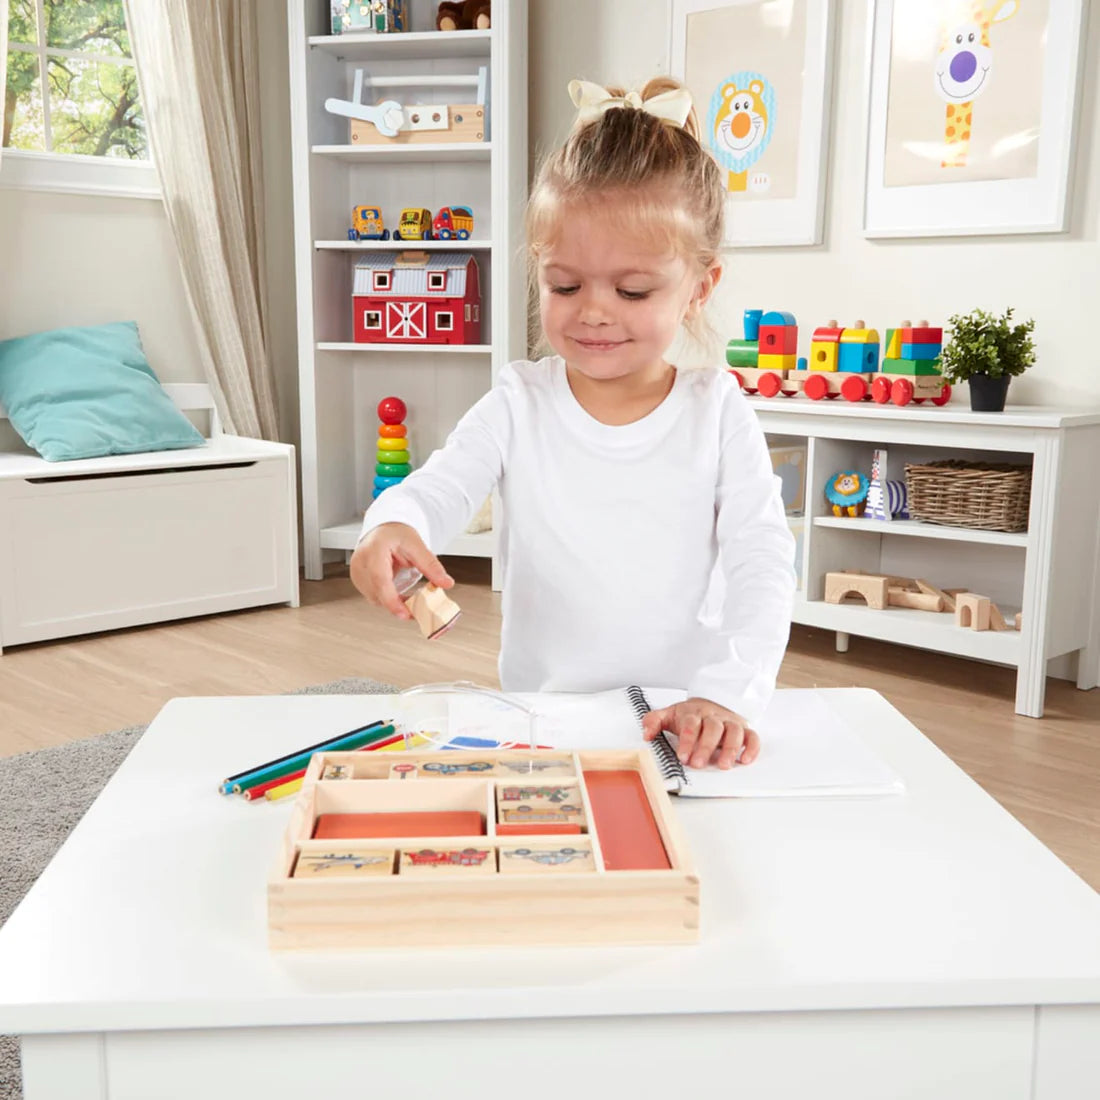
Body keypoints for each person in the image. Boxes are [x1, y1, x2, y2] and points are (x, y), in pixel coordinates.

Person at [351, 77, 796, 770]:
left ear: (699, 288)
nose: (593, 311)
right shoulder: (519, 401)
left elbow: (761, 560)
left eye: (632, 290)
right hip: (542, 718)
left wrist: (727, 695)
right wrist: (391, 524)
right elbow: (440, 486)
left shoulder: (716, 410)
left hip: (683, 718)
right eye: (565, 285)